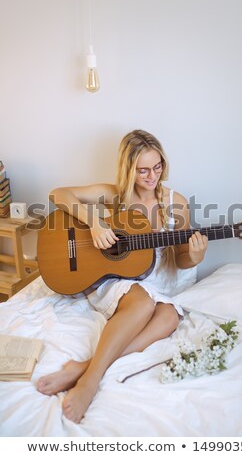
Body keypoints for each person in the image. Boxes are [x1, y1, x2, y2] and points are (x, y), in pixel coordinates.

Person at [37, 129, 208, 423]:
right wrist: (93, 222)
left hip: (157, 280)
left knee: (169, 317)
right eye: (143, 170)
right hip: (117, 278)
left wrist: (195, 256)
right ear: (128, 169)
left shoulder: (175, 202)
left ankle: (84, 367)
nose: (152, 176)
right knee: (143, 304)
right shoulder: (114, 195)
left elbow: (181, 260)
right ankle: (90, 383)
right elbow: (58, 194)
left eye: (158, 167)